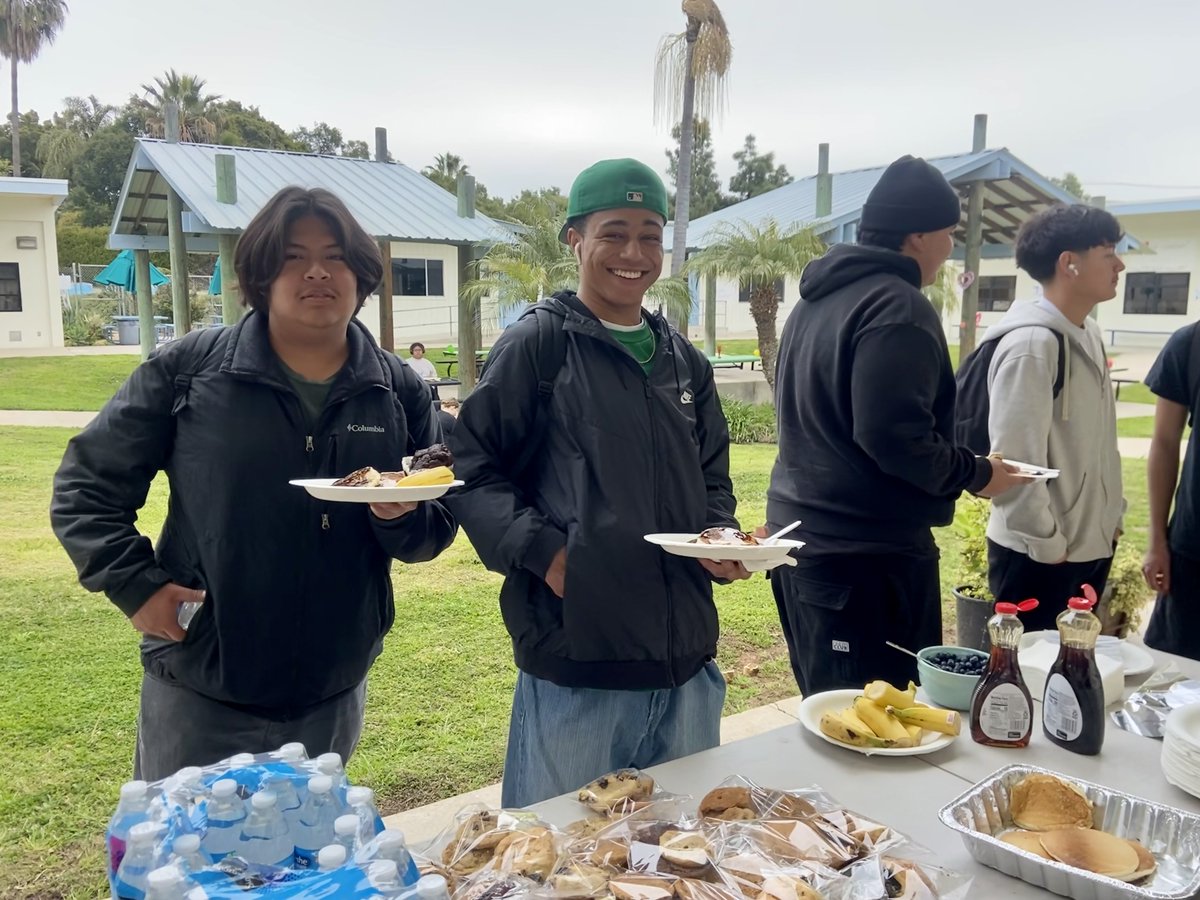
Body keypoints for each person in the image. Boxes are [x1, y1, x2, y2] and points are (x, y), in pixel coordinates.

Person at [51, 186, 457, 781]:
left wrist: (399, 516)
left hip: (332, 685)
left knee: (308, 860)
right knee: (186, 860)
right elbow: (86, 484)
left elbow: (434, 526)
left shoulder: (396, 389)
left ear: (363, 274)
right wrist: (135, 585)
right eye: (292, 256)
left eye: (335, 255)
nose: (317, 271)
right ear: (260, 275)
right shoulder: (192, 370)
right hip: (203, 678)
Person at [447, 158, 748, 807]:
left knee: (675, 856)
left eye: (649, 235)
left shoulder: (682, 360)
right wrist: (545, 553)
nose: (633, 253)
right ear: (575, 240)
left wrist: (720, 532)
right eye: (614, 233)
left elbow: (712, 476)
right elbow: (471, 467)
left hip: (687, 669)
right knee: (560, 859)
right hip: (578, 671)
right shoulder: (539, 346)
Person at [766, 155, 1028, 696]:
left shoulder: (813, 303)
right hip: (865, 561)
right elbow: (893, 437)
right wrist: (978, 473)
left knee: (831, 711)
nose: (950, 247)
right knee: (881, 724)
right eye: (948, 233)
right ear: (917, 235)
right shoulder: (896, 305)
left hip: (803, 548)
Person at [983, 205, 1126, 634]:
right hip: (1037, 556)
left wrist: (1110, 521)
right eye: (1107, 253)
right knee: (1027, 682)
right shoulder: (1033, 344)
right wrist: (1050, 547)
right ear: (1070, 264)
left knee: (1070, 678)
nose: (1120, 264)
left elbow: (1101, 442)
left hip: (1086, 549)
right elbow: (1014, 461)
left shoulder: (1090, 333)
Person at [1142, 322, 1200, 660]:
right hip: (1192, 556)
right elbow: (1164, 443)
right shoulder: (1190, 344)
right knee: (1177, 683)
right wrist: (1156, 542)